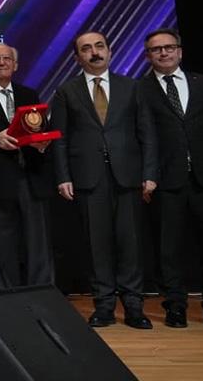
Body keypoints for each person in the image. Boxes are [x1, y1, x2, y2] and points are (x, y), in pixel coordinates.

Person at [51, 30, 157, 329]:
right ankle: (104, 306)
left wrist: (150, 173)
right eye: (86, 48)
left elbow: (147, 133)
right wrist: (63, 176)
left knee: (130, 243)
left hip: (129, 176)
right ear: (78, 58)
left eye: (99, 46)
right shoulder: (66, 91)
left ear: (110, 52)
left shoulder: (131, 87)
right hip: (88, 177)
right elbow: (59, 139)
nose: (94, 52)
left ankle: (134, 306)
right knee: (97, 245)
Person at [138, 28, 203, 330]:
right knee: (169, 250)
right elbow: (140, 136)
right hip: (165, 180)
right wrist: (147, 175)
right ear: (148, 56)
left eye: (169, 47)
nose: (164, 53)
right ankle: (175, 307)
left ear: (180, 51)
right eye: (156, 49)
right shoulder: (139, 89)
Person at [0, 43, 54, 289]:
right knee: (2, 245)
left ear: (15, 65)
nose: (1, 63)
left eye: (7, 58)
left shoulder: (29, 94)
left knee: (38, 243)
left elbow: (41, 128)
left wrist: (42, 143)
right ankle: (7, 297)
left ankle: (41, 294)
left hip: (30, 174)